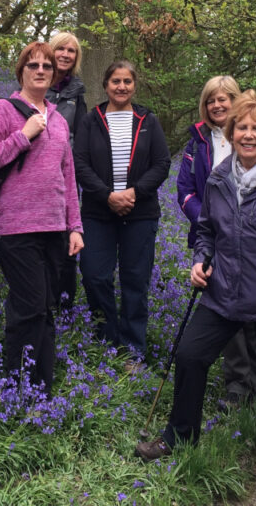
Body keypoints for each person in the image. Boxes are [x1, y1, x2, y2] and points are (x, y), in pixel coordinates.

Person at [136, 90, 256, 506]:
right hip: (224, 290)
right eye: (242, 127)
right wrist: (201, 258)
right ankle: (179, 436)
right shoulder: (220, 177)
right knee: (190, 356)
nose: (248, 135)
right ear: (231, 131)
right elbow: (207, 228)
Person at [0, 41, 84, 393]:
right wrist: (23, 136)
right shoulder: (2, 111)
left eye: (47, 66)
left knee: (44, 308)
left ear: (54, 74)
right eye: (33, 65)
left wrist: (75, 226)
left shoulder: (59, 120)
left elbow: (68, 176)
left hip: (54, 228)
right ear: (20, 71)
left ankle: (40, 390)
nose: (40, 71)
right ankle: (16, 388)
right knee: (30, 306)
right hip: (15, 227)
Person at [73, 60, 170, 364]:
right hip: (98, 212)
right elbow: (80, 164)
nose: (121, 87)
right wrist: (107, 196)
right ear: (106, 85)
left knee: (135, 281)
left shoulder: (148, 120)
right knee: (94, 276)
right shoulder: (91, 120)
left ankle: (132, 351)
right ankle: (106, 342)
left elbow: (162, 164)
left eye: (127, 81)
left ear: (134, 86)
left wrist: (134, 193)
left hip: (139, 213)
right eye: (116, 81)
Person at [176, 76, 256, 409]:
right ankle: (237, 385)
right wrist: (209, 220)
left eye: (224, 99)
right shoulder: (197, 143)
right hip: (213, 239)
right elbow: (185, 191)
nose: (217, 105)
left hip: (253, 240)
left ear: (236, 101)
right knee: (225, 309)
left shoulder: (251, 137)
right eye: (211, 100)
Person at [46, 31, 87, 308]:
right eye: (61, 48)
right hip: (36, 175)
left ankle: (65, 307)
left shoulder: (77, 93)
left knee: (67, 238)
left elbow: (81, 137)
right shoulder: (36, 82)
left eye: (71, 51)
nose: (65, 54)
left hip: (65, 175)